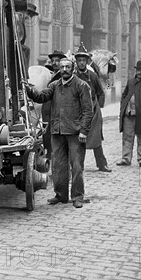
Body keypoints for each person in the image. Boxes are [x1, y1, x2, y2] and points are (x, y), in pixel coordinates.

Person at [26, 58, 93, 208]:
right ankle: (61, 195)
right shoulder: (54, 86)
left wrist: (84, 131)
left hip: (75, 133)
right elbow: (41, 97)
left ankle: (77, 196)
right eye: (62, 67)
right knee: (58, 165)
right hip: (57, 131)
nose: (64, 69)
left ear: (73, 69)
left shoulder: (81, 86)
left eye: (67, 67)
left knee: (76, 166)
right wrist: (28, 90)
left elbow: (88, 111)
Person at [73, 44, 112, 173]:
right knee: (78, 139)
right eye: (79, 60)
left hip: (93, 110)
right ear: (76, 62)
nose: (82, 63)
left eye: (84, 60)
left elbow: (100, 92)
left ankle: (102, 164)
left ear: (87, 61)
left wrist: (99, 106)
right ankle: (78, 165)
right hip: (78, 111)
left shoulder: (93, 76)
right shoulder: (72, 77)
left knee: (95, 138)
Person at [41, 50, 66, 160]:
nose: (55, 63)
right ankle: (50, 157)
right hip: (48, 109)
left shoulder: (64, 76)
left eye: (58, 61)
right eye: (53, 61)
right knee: (47, 134)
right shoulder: (49, 75)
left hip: (58, 109)